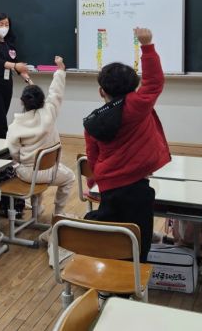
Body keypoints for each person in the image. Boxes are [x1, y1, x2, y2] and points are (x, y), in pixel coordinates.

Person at [82, 27, 170, 261]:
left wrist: (92, 181)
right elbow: (154, 82)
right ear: (133, 86)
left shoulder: (92, 120)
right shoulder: (137, 104)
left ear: (102, 91)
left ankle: (109, 273)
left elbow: (92, 156)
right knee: (139, 239)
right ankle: (132, 280)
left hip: (109, 186)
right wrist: (147, 45)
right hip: (137, 187)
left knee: (114, 234)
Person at [6, 55, 75, 218]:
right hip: (50, 172)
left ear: (23, 102)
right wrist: (60, 69)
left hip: (26, 173)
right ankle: (59, 212)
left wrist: (19, 164)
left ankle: (36, 208)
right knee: (69, 177)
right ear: (43, 101)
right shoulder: (49, 112)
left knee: (32, 172)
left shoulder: (16, 125)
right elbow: (56, 91)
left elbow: (13, 152)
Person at [0, 13, 31, 138]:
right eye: (1, 24)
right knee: (1, 123)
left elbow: (15, 62)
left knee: (0, 119)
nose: (4, 27)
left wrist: (24, 74)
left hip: (7, 84)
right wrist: (15, 66)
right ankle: (3, 151)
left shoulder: (9, 44)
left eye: (7, 24)